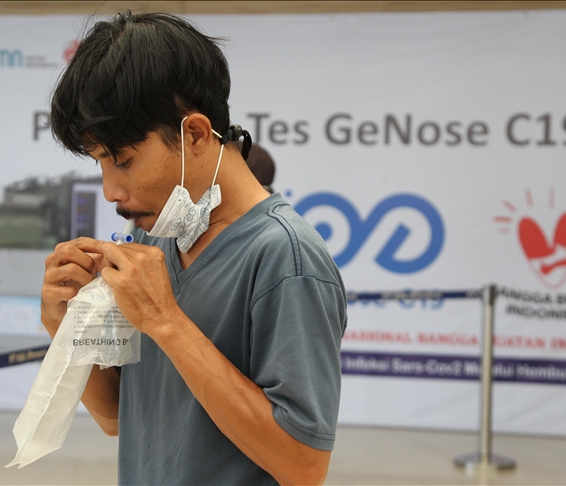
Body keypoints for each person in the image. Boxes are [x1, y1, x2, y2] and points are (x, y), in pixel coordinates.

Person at [41, 11, 346, 485]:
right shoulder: (156, 234)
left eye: (123, 161)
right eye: (100, 162)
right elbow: (118, 416)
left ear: (196, 134)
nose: (110, 191)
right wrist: (64, 325)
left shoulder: (286, 256)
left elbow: (303, 466)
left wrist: (165, 321)